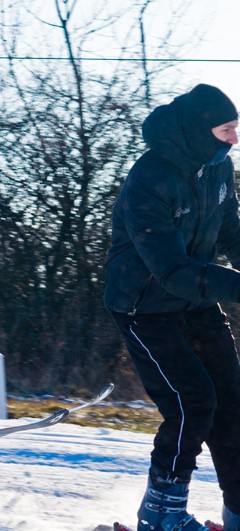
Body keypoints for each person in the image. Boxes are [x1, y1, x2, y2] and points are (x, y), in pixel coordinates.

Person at [104, 84, 240, 531]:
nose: (234, 139)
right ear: (200, 131)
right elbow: (170, 269)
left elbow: (232, 233)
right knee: (192, 402)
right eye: (226, 130)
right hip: (145, 306)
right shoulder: (150, 178)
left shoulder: (218, 169)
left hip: (194, 299)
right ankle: (161, 512)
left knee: (232, 399)